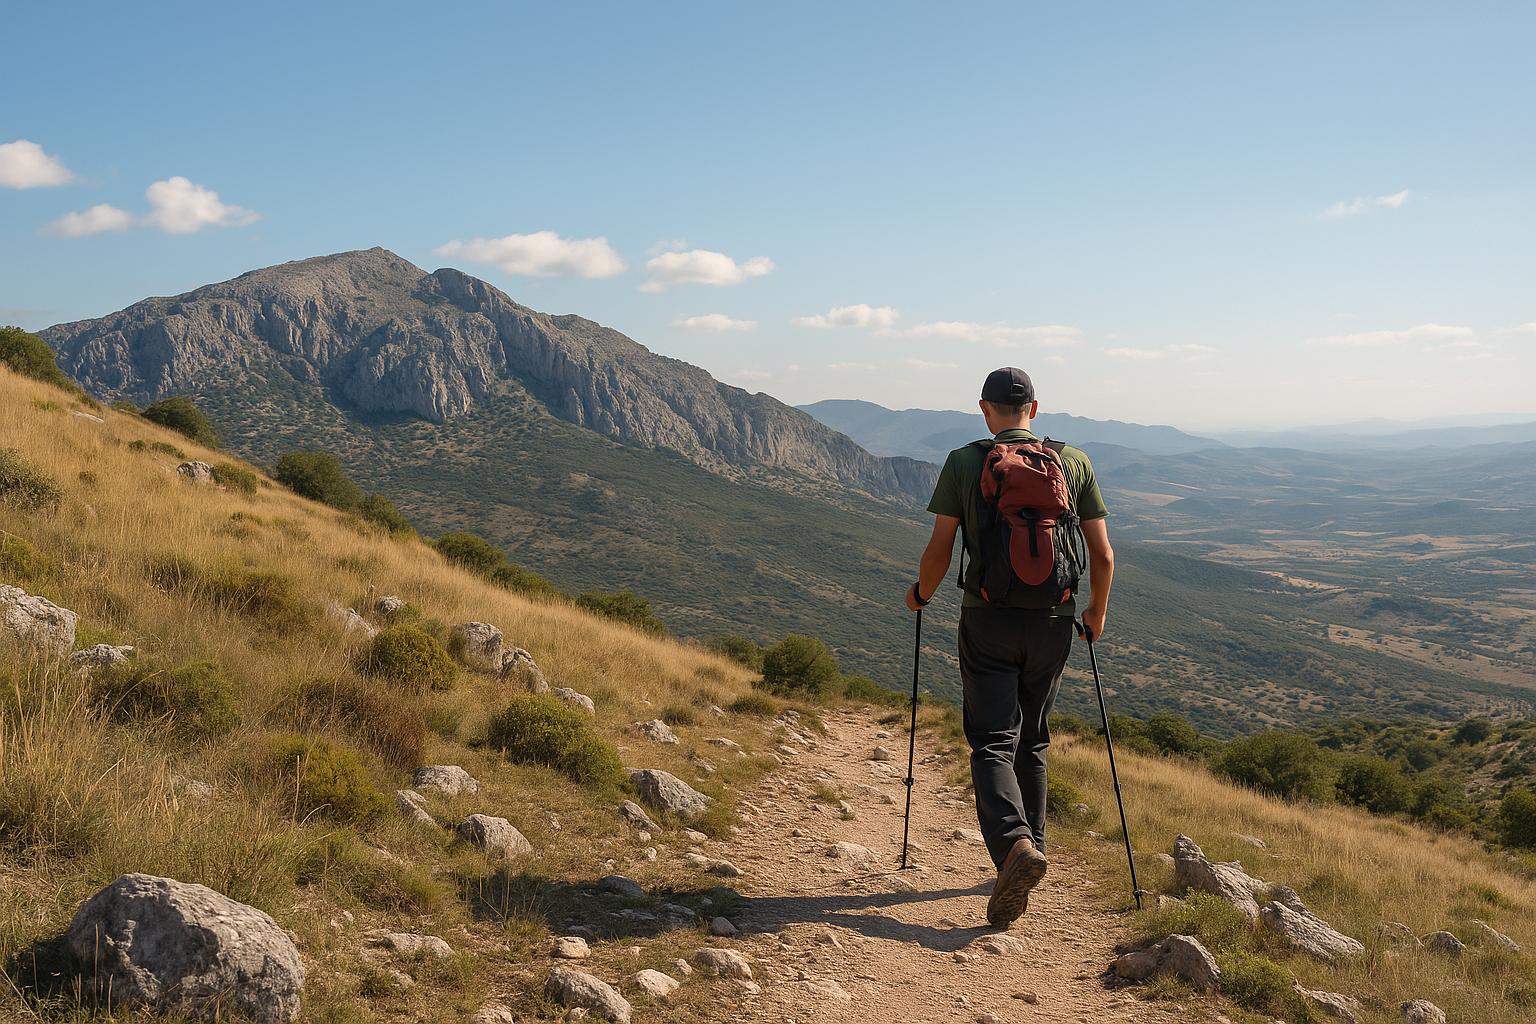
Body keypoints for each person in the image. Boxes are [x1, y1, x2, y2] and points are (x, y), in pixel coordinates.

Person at [906, 366, 1114, 928]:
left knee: (993, 740)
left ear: (984, 409)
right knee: (1034, 738)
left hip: (988, 619)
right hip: (1054, 622)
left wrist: (921, 594)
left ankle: (1014, 847)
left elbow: (941, 547)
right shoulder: (1073, 462)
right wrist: (1094, 612)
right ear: (1034, 409)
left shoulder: (965, 462)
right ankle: (1033, 847)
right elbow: (1102, 554)